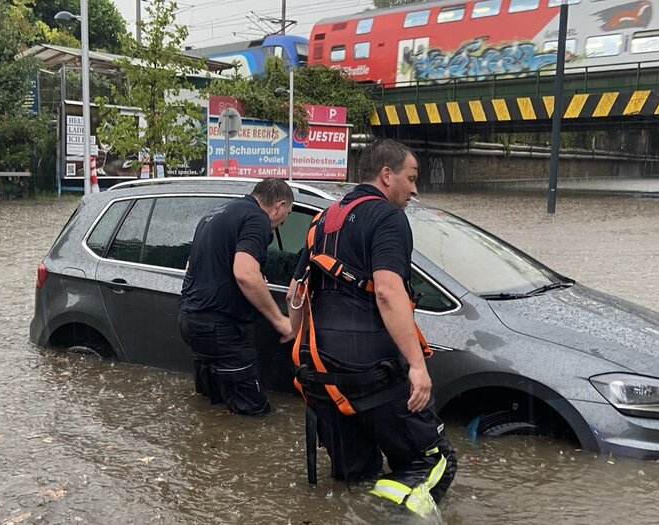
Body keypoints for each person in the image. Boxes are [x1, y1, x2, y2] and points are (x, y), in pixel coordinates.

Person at [287, 139, 456, 518]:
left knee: (356, 476)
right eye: (411, 178)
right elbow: (387, 291)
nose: (415, 189)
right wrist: (416, 364)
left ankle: (359, 509)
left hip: (319, 374)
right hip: (372, 370)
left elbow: (294, 301)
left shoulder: (320, 220)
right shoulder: (388, 218)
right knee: (436, 462)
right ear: (386, 175)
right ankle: (380, 516)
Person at [179, 178, 295, 416]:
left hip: (190, 320)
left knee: (215, 405)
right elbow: (244, 274)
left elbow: (192, 265)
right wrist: (280, 320)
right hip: (221, 328)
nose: (283, 223)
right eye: (288, 214)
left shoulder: (215, 215)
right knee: (254, 413)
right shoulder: (257, 218)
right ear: (279, 206)